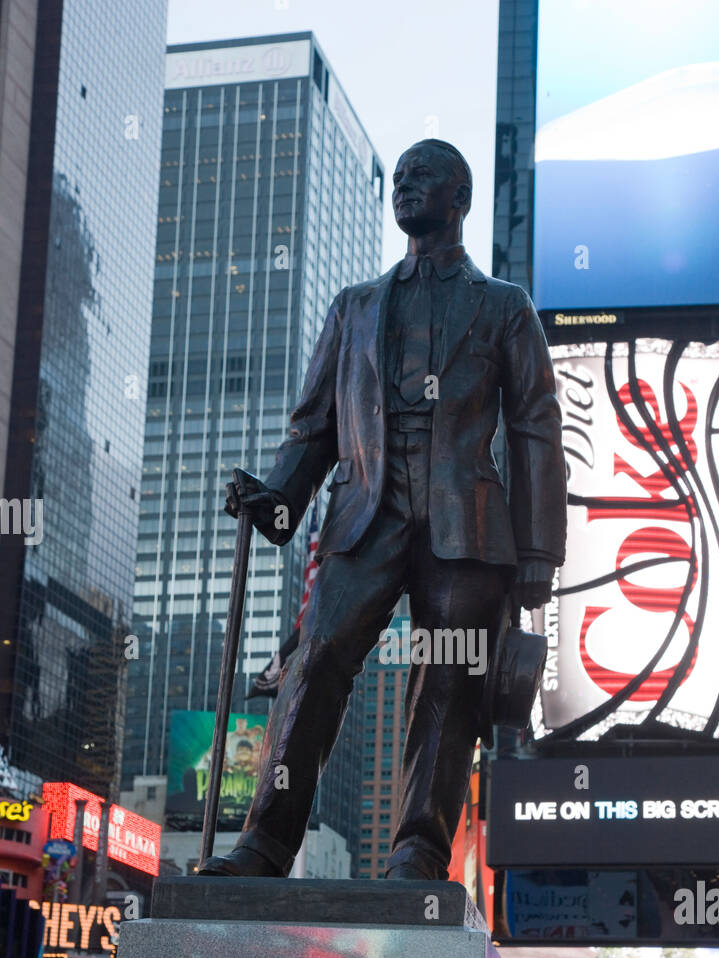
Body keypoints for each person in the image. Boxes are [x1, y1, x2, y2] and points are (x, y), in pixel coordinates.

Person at [199, 137, 566, 883]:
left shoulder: (503, 307)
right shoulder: (355, 307)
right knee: (316, 660)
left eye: (422, 176)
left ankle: (418, 850)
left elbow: (536, 427)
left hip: (466, 527)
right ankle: (264, 844)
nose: (405, 186)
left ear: (460, 198)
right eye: (398, 178)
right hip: (366, 517)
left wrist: (539, 553)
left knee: (446, 680)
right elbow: (314, 429)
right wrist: (276, 502)